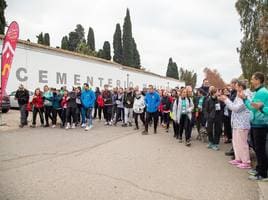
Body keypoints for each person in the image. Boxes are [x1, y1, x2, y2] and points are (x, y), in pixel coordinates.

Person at [239, 72, 268, 180]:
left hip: (260, 124)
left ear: (258, 80)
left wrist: (245, 99)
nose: (251, 81)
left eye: (252, 79)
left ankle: (263, 173)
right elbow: (254, 106)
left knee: (259, 149)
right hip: (257, 123)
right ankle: (259, 168)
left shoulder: (262, 92)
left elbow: (252, 107)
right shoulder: (259, 91)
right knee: (257, 148)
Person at [219, 80, 251, 169]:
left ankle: (246, 161)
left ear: (240, 87)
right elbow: (233, 106)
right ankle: (238, 158)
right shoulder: (238, 94)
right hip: (236, 123)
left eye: (236, 86)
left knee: (242, 143)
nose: (234, 87)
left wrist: (226, 100)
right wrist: (226, 100)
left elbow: (236, 108)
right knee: (236, 142)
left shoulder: (245, 95)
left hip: (243, 123)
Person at [203, 86, 224, 151]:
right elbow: (205, 109)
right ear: (213, 93)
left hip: (218, 118)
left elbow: (222, 108)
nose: (218, 93)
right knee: (209, 130)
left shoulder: (219, 100)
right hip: (210, 118)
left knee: (217, 131)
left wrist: (221, 101)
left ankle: (216, 144)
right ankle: (211, 142)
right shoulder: (208, 100)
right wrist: (207, 116)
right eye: (217, 92)